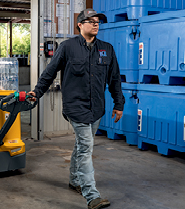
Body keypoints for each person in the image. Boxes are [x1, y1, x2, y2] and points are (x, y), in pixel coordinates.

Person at [28, 8, 125, 209]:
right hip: (75, 107)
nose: (96, 24)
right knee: (86, 148)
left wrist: (119, 104)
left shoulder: (106, 48)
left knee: (82, 146)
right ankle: (92, 195)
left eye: (98, 21)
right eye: (90, 21)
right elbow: (49, 72)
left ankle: (74, 180)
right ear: (80, 25)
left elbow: (114, 78)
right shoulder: (67, 47)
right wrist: (37, 93)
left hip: (96, 108)